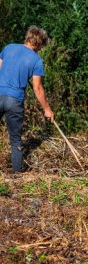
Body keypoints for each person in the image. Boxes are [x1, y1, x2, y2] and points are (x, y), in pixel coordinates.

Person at [0, 26, 55, 173]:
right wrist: (47, 109)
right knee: (15, 140)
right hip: (14, 101)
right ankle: (17, 175)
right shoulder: (36, 60)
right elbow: (37, 89)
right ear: (39, 44)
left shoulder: (8, 48)